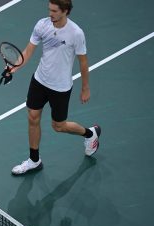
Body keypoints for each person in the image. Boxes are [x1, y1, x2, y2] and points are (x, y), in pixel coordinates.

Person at [10, 0, 101, 175]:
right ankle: (34, 160)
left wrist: (85, 88)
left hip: (60, 87)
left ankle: (90, 134)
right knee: (33, 117)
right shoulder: (42, 25)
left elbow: (83, 62)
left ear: (65, 11)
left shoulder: (76, 33)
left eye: (54, 11)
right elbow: (28, 51)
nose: (50, 13)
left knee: (59, 126)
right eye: (49, 9)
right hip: (39, 80)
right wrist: (13, 68)